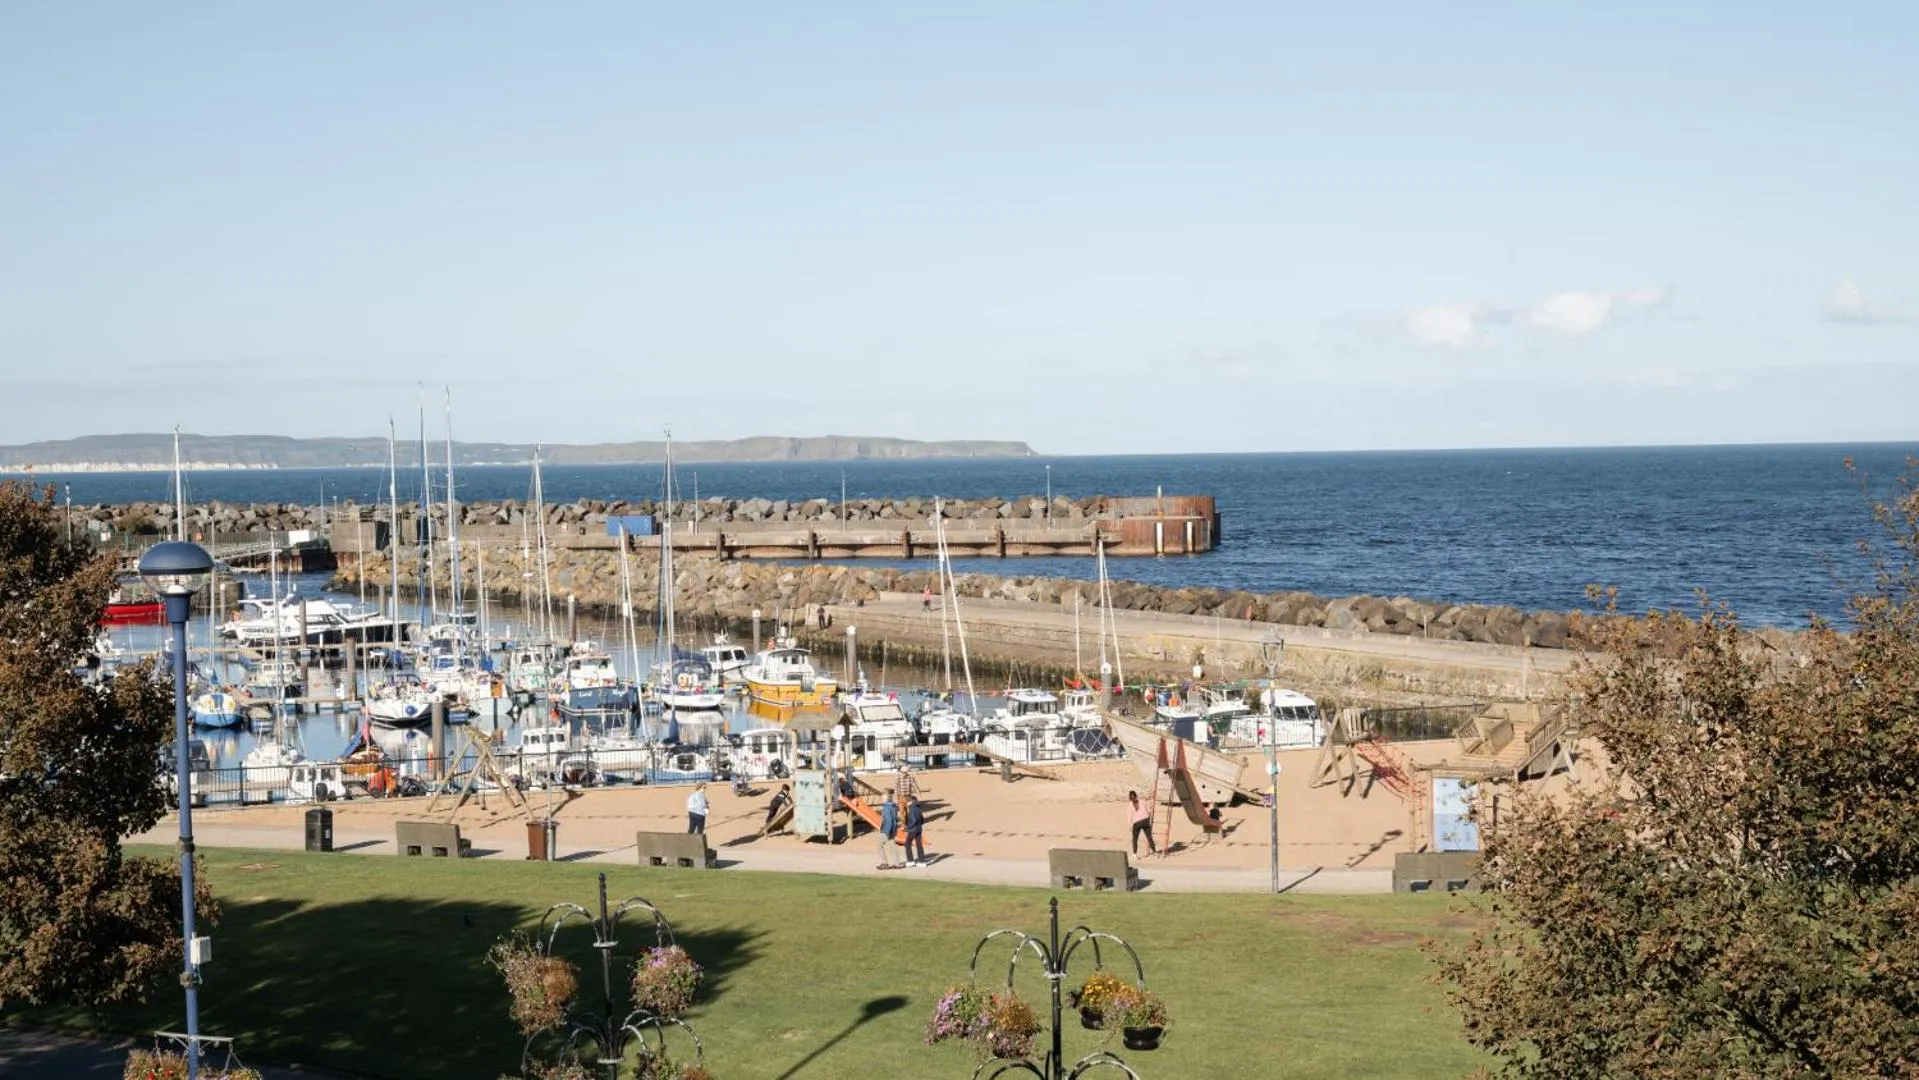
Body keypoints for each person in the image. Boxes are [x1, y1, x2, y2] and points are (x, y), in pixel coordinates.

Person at [1127, 790, 1157, 857]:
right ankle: (1154, 851)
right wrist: (1148, 817)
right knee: (1149, 837)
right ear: (1136, 795)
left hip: (1137, 823)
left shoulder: (1130, 805)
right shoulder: (1142, 801)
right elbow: (1149, 811)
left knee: (1135, 839)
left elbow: (1129, 816)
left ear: (1130, 798)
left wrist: (1129, 826)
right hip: (1145, 820)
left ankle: (1135, 854)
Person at [878, 792, 903, 869]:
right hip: (893, 829)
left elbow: (889, 820)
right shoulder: (893, 806)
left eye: (883, 798)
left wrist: (887, 831)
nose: (881, 799)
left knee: (879, 845)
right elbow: (895, 817)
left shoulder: (886, 807)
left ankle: (885, 863)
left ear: (886, 799)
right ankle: (896, 863)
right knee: (892, 845)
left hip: (887, 829)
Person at [904, 794, 926, 866]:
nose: (907, 803)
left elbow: (914, 820)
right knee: (919, 844)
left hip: (913, 830)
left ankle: (910, 861)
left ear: (911, 801)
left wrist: (908, 827)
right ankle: (922, 861)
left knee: (907, 844)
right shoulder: (918, 808)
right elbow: (922, 820)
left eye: (908, 801)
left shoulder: (912, 809)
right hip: (919, 829)